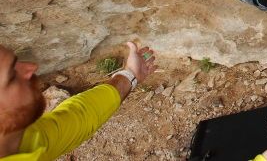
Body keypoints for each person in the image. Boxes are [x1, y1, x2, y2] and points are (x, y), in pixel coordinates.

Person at [0, 41, 156, 161]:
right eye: (12, 76)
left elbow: (78, 117)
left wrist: (130, 75)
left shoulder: (22, 141)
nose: (31, 67)